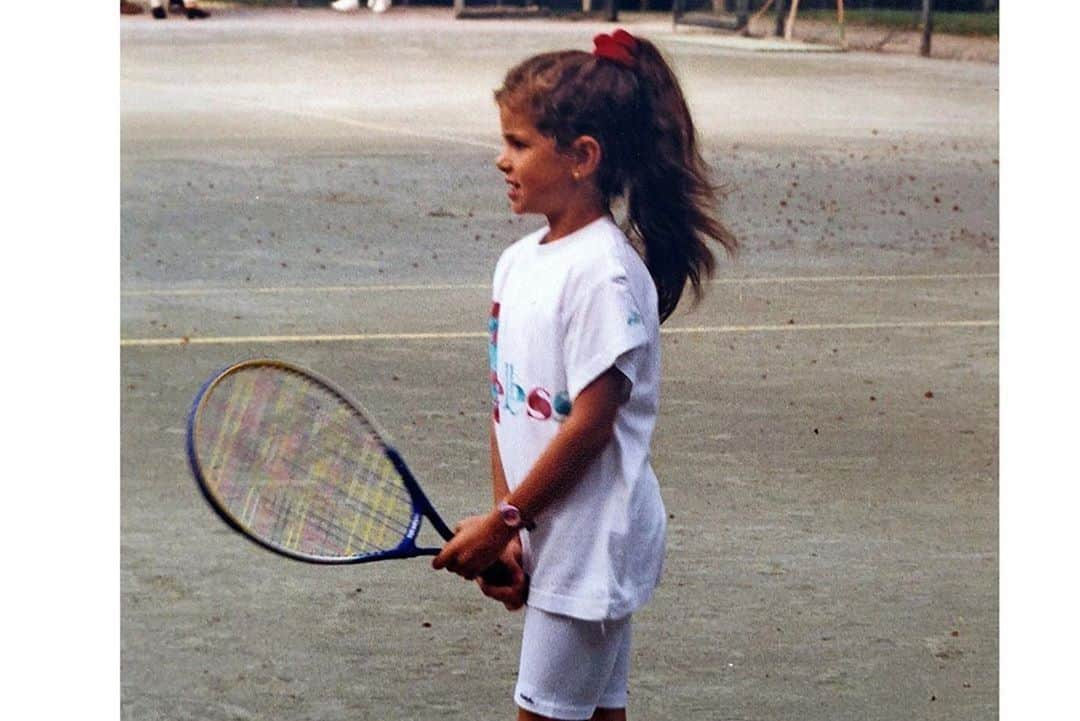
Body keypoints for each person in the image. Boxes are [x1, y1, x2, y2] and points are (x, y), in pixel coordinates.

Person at [432, 29, 737, 721]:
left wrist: (507, 517)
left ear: (583, 158)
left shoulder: (603, 273)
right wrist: (509, 529)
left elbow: (592, 423)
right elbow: (506, 406)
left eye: (519, 143)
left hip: (593, 543)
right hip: (553, 529)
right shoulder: (517, 263)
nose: (500, 159)